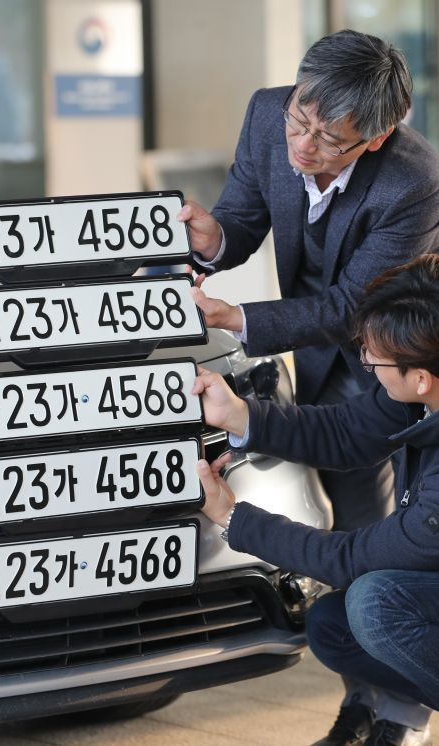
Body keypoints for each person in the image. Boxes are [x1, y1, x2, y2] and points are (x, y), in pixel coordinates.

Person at [178, 29, 439, 739]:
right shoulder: (270, 112)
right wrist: (215, 240)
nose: (303, 144)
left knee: (376, 543)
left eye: (329, 139)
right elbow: (242, 217)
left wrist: (235, 318)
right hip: (329, 357)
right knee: (348, 549)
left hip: (394, 348)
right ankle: (366, 698)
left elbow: (353, 308)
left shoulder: (414, 178)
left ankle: (398, 713)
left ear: (376, 139)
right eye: (300, 120)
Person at [192, 253, 439, 746]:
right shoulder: (423, 390)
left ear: (419, 379)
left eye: (375, 359)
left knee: (376, 604)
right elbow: (346, 431)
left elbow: (350, 558)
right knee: (333, 623)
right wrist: (239, 414)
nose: (365, 364)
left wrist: (232, 516)